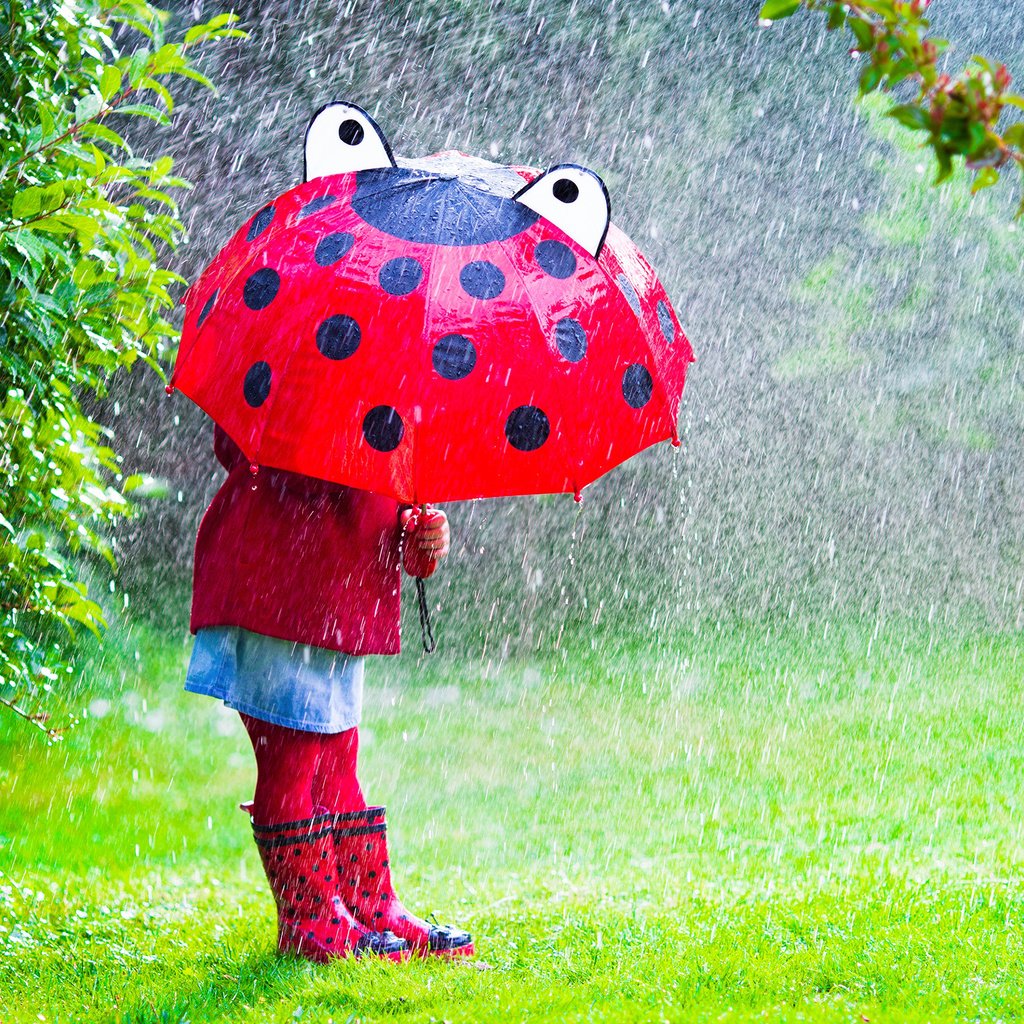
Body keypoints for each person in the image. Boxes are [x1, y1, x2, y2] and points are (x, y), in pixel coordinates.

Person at [183, 425, 474, 961]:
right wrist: (343, 456)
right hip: (278, 583)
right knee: (292, 757)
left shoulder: (391, 380)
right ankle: (309, 920)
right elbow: (239, 447)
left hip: (342, 595)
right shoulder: (298, 363)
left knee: (338, 759)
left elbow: (384, 497)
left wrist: (416, 528)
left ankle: (366, 907)